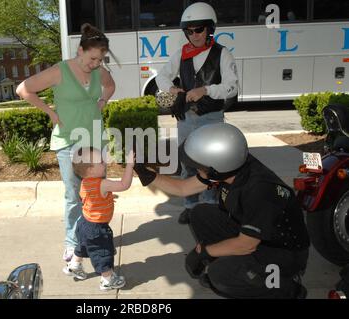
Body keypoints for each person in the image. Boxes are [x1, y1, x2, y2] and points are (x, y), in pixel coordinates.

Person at [133, 123, 310, 299]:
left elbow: (247, 244)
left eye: (199, 166)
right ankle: (233, 265)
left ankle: (286, 289)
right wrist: (147, 174)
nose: (195, 169)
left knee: (221, 275)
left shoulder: (260, 191)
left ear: (216, 167)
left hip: (283, 253)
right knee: (200, 214)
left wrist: (204, 252)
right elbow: (183, 188)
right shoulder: (232, 166)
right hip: (258, 235)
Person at [16, 24, 116, 262]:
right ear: (80, 50)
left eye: (100, 60)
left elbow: (110, 85)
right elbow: (23, 89)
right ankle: (73, 243)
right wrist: (50, 113)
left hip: (94, 138)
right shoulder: (59, 71)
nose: (95, 64)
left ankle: (96, 236)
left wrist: (102, 100)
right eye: (92, 58)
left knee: (96, 194)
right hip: (69, 141)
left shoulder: (98, 71)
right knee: (73, 195)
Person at [155, 2, 239, 225]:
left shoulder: (222, 54)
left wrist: (206, 90)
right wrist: (172, 89)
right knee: (188, 164)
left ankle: (210, 205)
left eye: (199, 29)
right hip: (186, 119)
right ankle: (190, 206)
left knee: (211, 165)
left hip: (212, 119)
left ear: (209, 29)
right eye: (189, 31)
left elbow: (233, 87)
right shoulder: (181, 54)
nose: (194, 35)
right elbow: (161, 77)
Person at [64, 147, 134, 290]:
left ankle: (75, 265)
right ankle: (107, 279)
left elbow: (90, 199)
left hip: (84, 222)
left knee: (83, 244)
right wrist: (130, 165)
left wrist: (106, 200)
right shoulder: (102, 183)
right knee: (102, 252)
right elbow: (124, 185)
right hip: (97, 227)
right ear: (90, 170)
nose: (105, 162)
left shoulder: (84, 182)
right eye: (101, 161)